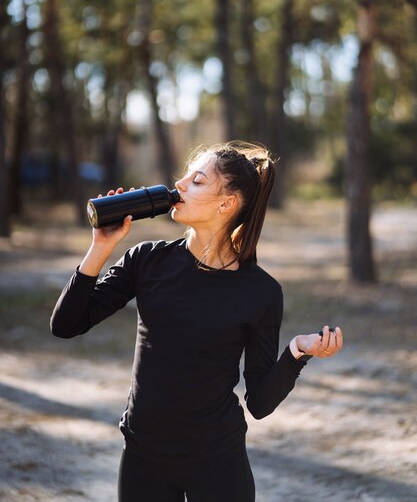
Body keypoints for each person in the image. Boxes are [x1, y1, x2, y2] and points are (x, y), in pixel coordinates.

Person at [50, 141, 343, 502]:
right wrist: (100, 246)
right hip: (144, 455)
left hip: (217, 461)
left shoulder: (260, 292)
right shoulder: (146, 260)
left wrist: (297, 353)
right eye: (186, 176)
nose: (181, 184)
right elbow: (65, 325)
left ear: (226, 204)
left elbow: (259, 404)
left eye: (198, 180)